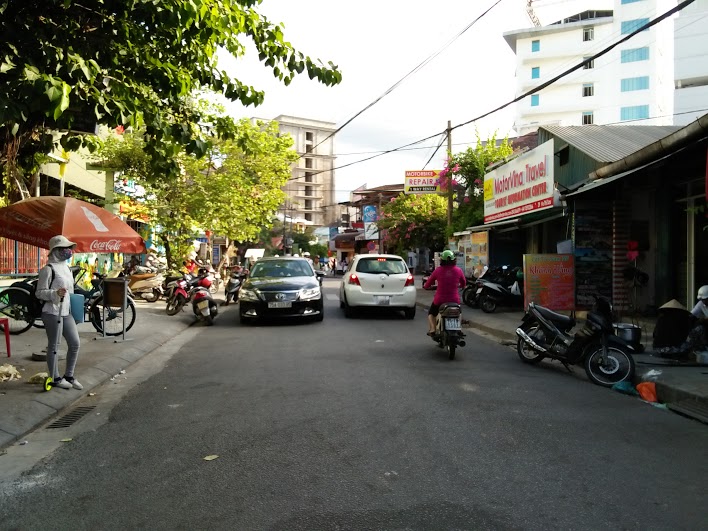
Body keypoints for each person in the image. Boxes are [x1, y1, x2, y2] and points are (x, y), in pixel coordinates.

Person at [35, 235, 83, 390]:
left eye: (68, 248)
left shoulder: (67, 268)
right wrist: (55, 294)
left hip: (66, 311)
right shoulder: (47, 270)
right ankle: (55, 377)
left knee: (75, 343)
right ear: (55, 250)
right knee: (54, 346)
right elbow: (39, 292)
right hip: (51, 312)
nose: (68, 251)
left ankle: (69, 376)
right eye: (64, 248)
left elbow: (71, 290)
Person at [423, 250, 466, 336]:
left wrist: (426, 287)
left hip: (439, 300)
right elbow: (464, 283)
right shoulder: (458, 270)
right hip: (454, 300)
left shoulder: (438, 271)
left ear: (441, 260)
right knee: (458, 312)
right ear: (454, 260)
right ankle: (459, 328)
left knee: (431, 313)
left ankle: (432, 329)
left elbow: (428, 284)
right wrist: (461, 285)